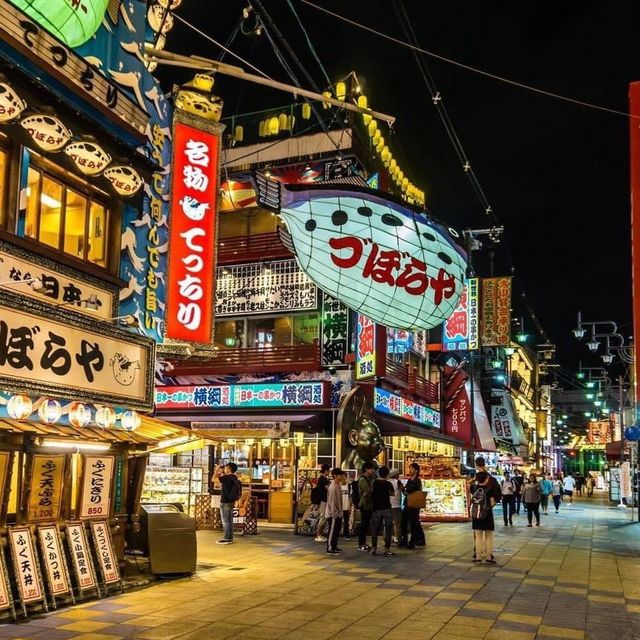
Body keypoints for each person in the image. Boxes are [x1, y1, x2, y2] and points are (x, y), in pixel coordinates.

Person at [469, 470, 498, 564]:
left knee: (478, 536)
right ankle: (488, 557)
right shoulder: (490, 489)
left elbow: (469, 484)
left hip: (476, 514)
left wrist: (473, 480)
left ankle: (478, 557)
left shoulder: (473, 488)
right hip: (487, 514)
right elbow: (492, 503)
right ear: (486, 479)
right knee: (489, 536)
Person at [370, 466, 396, 557]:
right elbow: (393, 494)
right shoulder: (388, 483)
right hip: (387, 508)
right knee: (388, 529)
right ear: (387, 474)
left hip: (377, 508)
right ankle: (387, 549)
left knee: (375, 529)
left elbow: (371, 492)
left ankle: (374, 548)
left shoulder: (374, 483)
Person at [217, 462, 242, 544]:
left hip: (225, 501)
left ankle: (227, 538)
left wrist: (216, 471)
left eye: (226, 467)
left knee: (225, 521)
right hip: (231, 501)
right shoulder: (234, 478)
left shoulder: (226, 478)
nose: (224, 469)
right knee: (229, 520)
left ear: (229, 469)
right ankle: (230, 537)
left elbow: (213, 480)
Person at [400, 462, 422, 549]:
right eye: (410, 468)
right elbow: (406, 491)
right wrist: (404, 489)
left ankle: (412, 541)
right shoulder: (409, 480)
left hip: (414, 505)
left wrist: (404, 489)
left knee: (413, 524)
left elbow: (410, 490)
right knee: (403, 522)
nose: (410, 470)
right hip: (407, 503)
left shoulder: (417, 481)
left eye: (412, 468)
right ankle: (404, 539)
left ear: (416, 471)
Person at [325, 468, 345, 554]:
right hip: (333, 513)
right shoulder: (333, 487)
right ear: (335, 476)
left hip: (338, 512)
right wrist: (334, 513)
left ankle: (334, 546)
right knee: (332, 530)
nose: (341, 476)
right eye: (340, 475)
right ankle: (330, 548)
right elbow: (332, 502)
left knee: (336, 530)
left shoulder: (337, 485)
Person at [357, 462, 375, 551]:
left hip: (368, 504)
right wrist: (370, 490)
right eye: (371, 468)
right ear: (366, 469)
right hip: (365, 505)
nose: (372, 470)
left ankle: (363, 543)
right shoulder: (363, 480)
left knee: (366, 524)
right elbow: (368, 490)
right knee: (364, 524)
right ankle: (361, 544)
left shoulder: (368, 479)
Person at [314, 464, 331, 542]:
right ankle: (318, 535)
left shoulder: (323, 479)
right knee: (323, 517)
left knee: (324, 517)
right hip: (323, 501)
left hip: (324, 500)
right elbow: (327, 489)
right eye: (328, 470)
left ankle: (320, 534)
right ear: (326, 471)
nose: (329, 472)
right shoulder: (322, 480)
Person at [388, 468, 403, 543]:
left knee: (387, 523)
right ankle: (397, 538)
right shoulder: (398, 482)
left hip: (388, 505)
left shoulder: (387, 482)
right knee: (397, 523)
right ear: (396, 475)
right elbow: (403, 490)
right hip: (396, 505)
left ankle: (386, 538)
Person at [341, 472, 353, 539]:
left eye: (344, 477)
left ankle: (346, 534)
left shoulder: (349, 486)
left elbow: (350, 497)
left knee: (346, 521)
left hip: (346, 506)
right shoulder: (338, 485)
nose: (343, 478)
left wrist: (350, 506)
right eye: (342, 476)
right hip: (340, 506)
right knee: (338, 521)